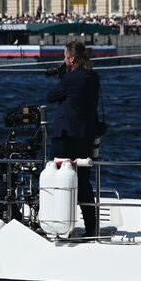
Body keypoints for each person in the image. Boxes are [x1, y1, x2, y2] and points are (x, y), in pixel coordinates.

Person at [46, 40, 102, 237]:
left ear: (71, 59)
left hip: (65, 136)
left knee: (55, 177)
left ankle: (57, 225)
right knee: (84, 183)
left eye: (64, 56)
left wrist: (63, 78)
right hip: (85, 135)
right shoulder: (93, 77)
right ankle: (91, 227)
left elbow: (51, 96)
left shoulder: (71, 80)